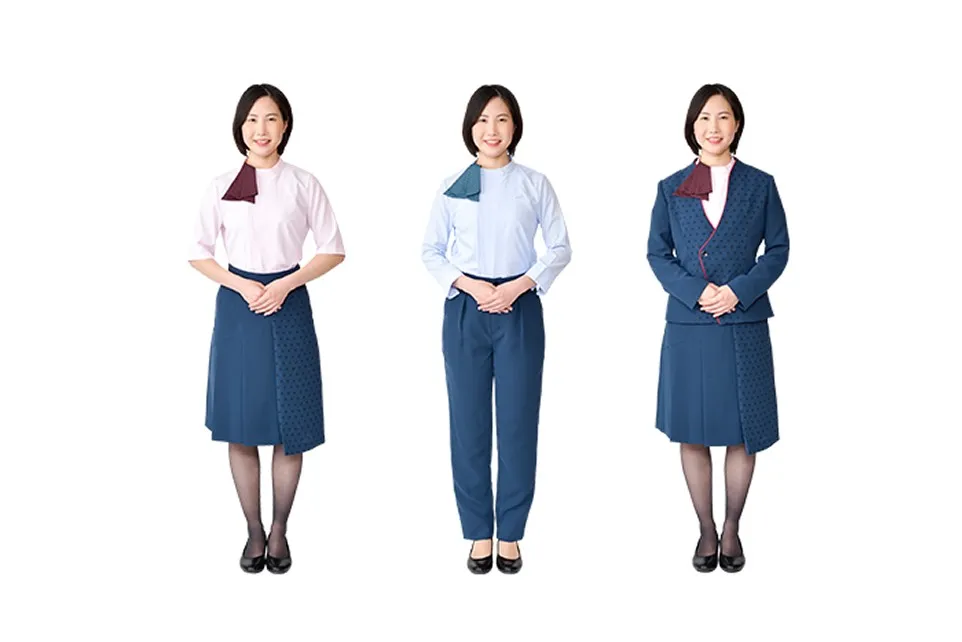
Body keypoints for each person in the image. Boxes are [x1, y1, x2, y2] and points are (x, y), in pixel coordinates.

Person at [188, 83, 345, 574]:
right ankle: (253, 530)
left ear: (285, 126)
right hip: (239, 310)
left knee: (289, 427)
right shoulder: (220, 186)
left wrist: (286, 284)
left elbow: (333, 248)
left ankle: (280, 530)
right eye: (253, 119)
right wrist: (241, 285)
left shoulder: (304, 183)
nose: (262, 129)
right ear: (240, 127)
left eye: (272, 118)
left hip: (290, 303)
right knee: (241, 426)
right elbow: (197, 252)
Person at [421, 84, 572, 575]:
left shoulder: (534, 183)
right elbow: (430, 251)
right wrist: (470, 285)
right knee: (467, 427)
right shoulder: (452, 186)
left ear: (515, 127)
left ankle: (510, 533)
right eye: (483, 120)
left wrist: (520, 286)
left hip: (520, 309)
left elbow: (560, 247)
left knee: (518, 424)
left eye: (502, 119)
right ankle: (478, 533)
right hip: (466, 310)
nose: (492, 130)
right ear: (470, 128)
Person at [646, 83, 789, 573]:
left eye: (723, 117)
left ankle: (732, 528)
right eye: (704, 118)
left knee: (743, 432)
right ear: (692, 126)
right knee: (692, 431)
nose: (713, 127)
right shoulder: (671, 187)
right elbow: (657, 253)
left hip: (743, 321)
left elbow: (779, 250)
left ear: (737, 125)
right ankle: (705, 529)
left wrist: (738, 291)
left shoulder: (761, 184)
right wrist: (696, 291)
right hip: (689, 323)